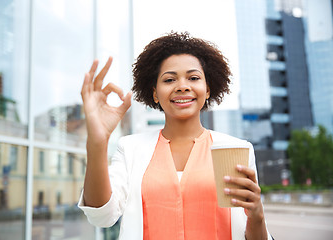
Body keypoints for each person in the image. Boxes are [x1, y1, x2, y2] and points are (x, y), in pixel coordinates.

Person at [78, 32, 272, 240]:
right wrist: (98, 142)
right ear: (154, 93)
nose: (182, 86)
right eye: (169, 79)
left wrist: (257, 215)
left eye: (193, 78)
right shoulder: (131, 149)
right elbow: (101, 216)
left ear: (207, 89)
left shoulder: (237, 149)